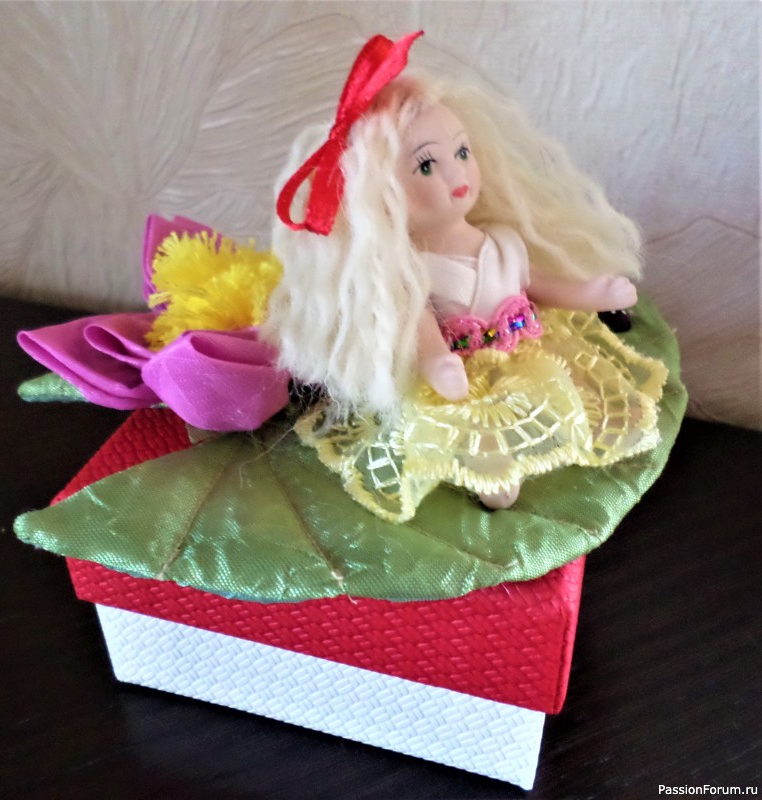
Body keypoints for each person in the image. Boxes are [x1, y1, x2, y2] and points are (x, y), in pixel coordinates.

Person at [262, 32, 668, 522]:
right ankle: (494, 470)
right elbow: (418, 328)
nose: (458, 175)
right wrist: (437, 363)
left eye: (461, 153)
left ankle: (548, 442)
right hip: (466, 376)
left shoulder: (501, 240)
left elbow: (537, 284)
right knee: (480, 429)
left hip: (527, 357)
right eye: (426, 165)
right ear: (384, 196)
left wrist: (590, 292)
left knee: (574, 397)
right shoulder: (411, 272)